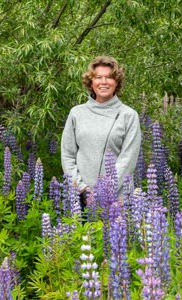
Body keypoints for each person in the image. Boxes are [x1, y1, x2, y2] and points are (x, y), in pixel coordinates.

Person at [61, 55, 141, 207]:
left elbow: (127, 160)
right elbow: (67, 154)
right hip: (80, 198)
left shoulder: (129, 115)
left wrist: (104, 192)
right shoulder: (77, 113)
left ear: (116, 82)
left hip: (116, 200)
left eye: (109, 77)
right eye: (98, 77)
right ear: (91, 82)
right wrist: (82, 188)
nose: (103, 82)